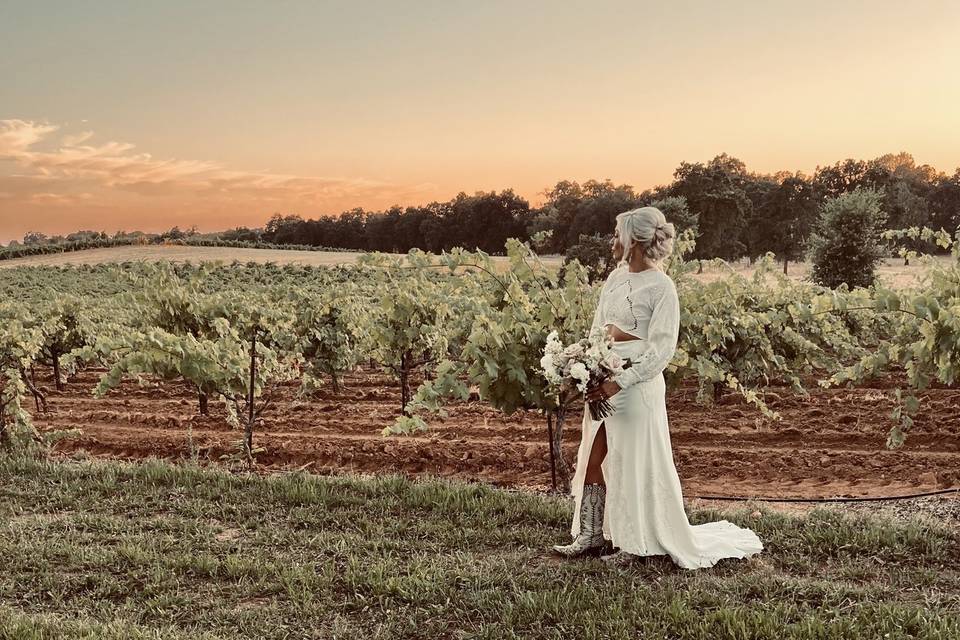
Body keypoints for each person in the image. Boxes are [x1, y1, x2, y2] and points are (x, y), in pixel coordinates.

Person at [551, 206, 763, 569]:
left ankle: (637, 544)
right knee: (594, 454)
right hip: (602, 376)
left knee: (633, 462)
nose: (612, 241)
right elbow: (597, 328)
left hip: (635, 383)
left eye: (617, 234)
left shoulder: (662, 286)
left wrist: (620, 381)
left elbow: (662, 348)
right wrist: (586, 367)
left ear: (633, 240)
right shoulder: (615, 278)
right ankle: (590, 534)